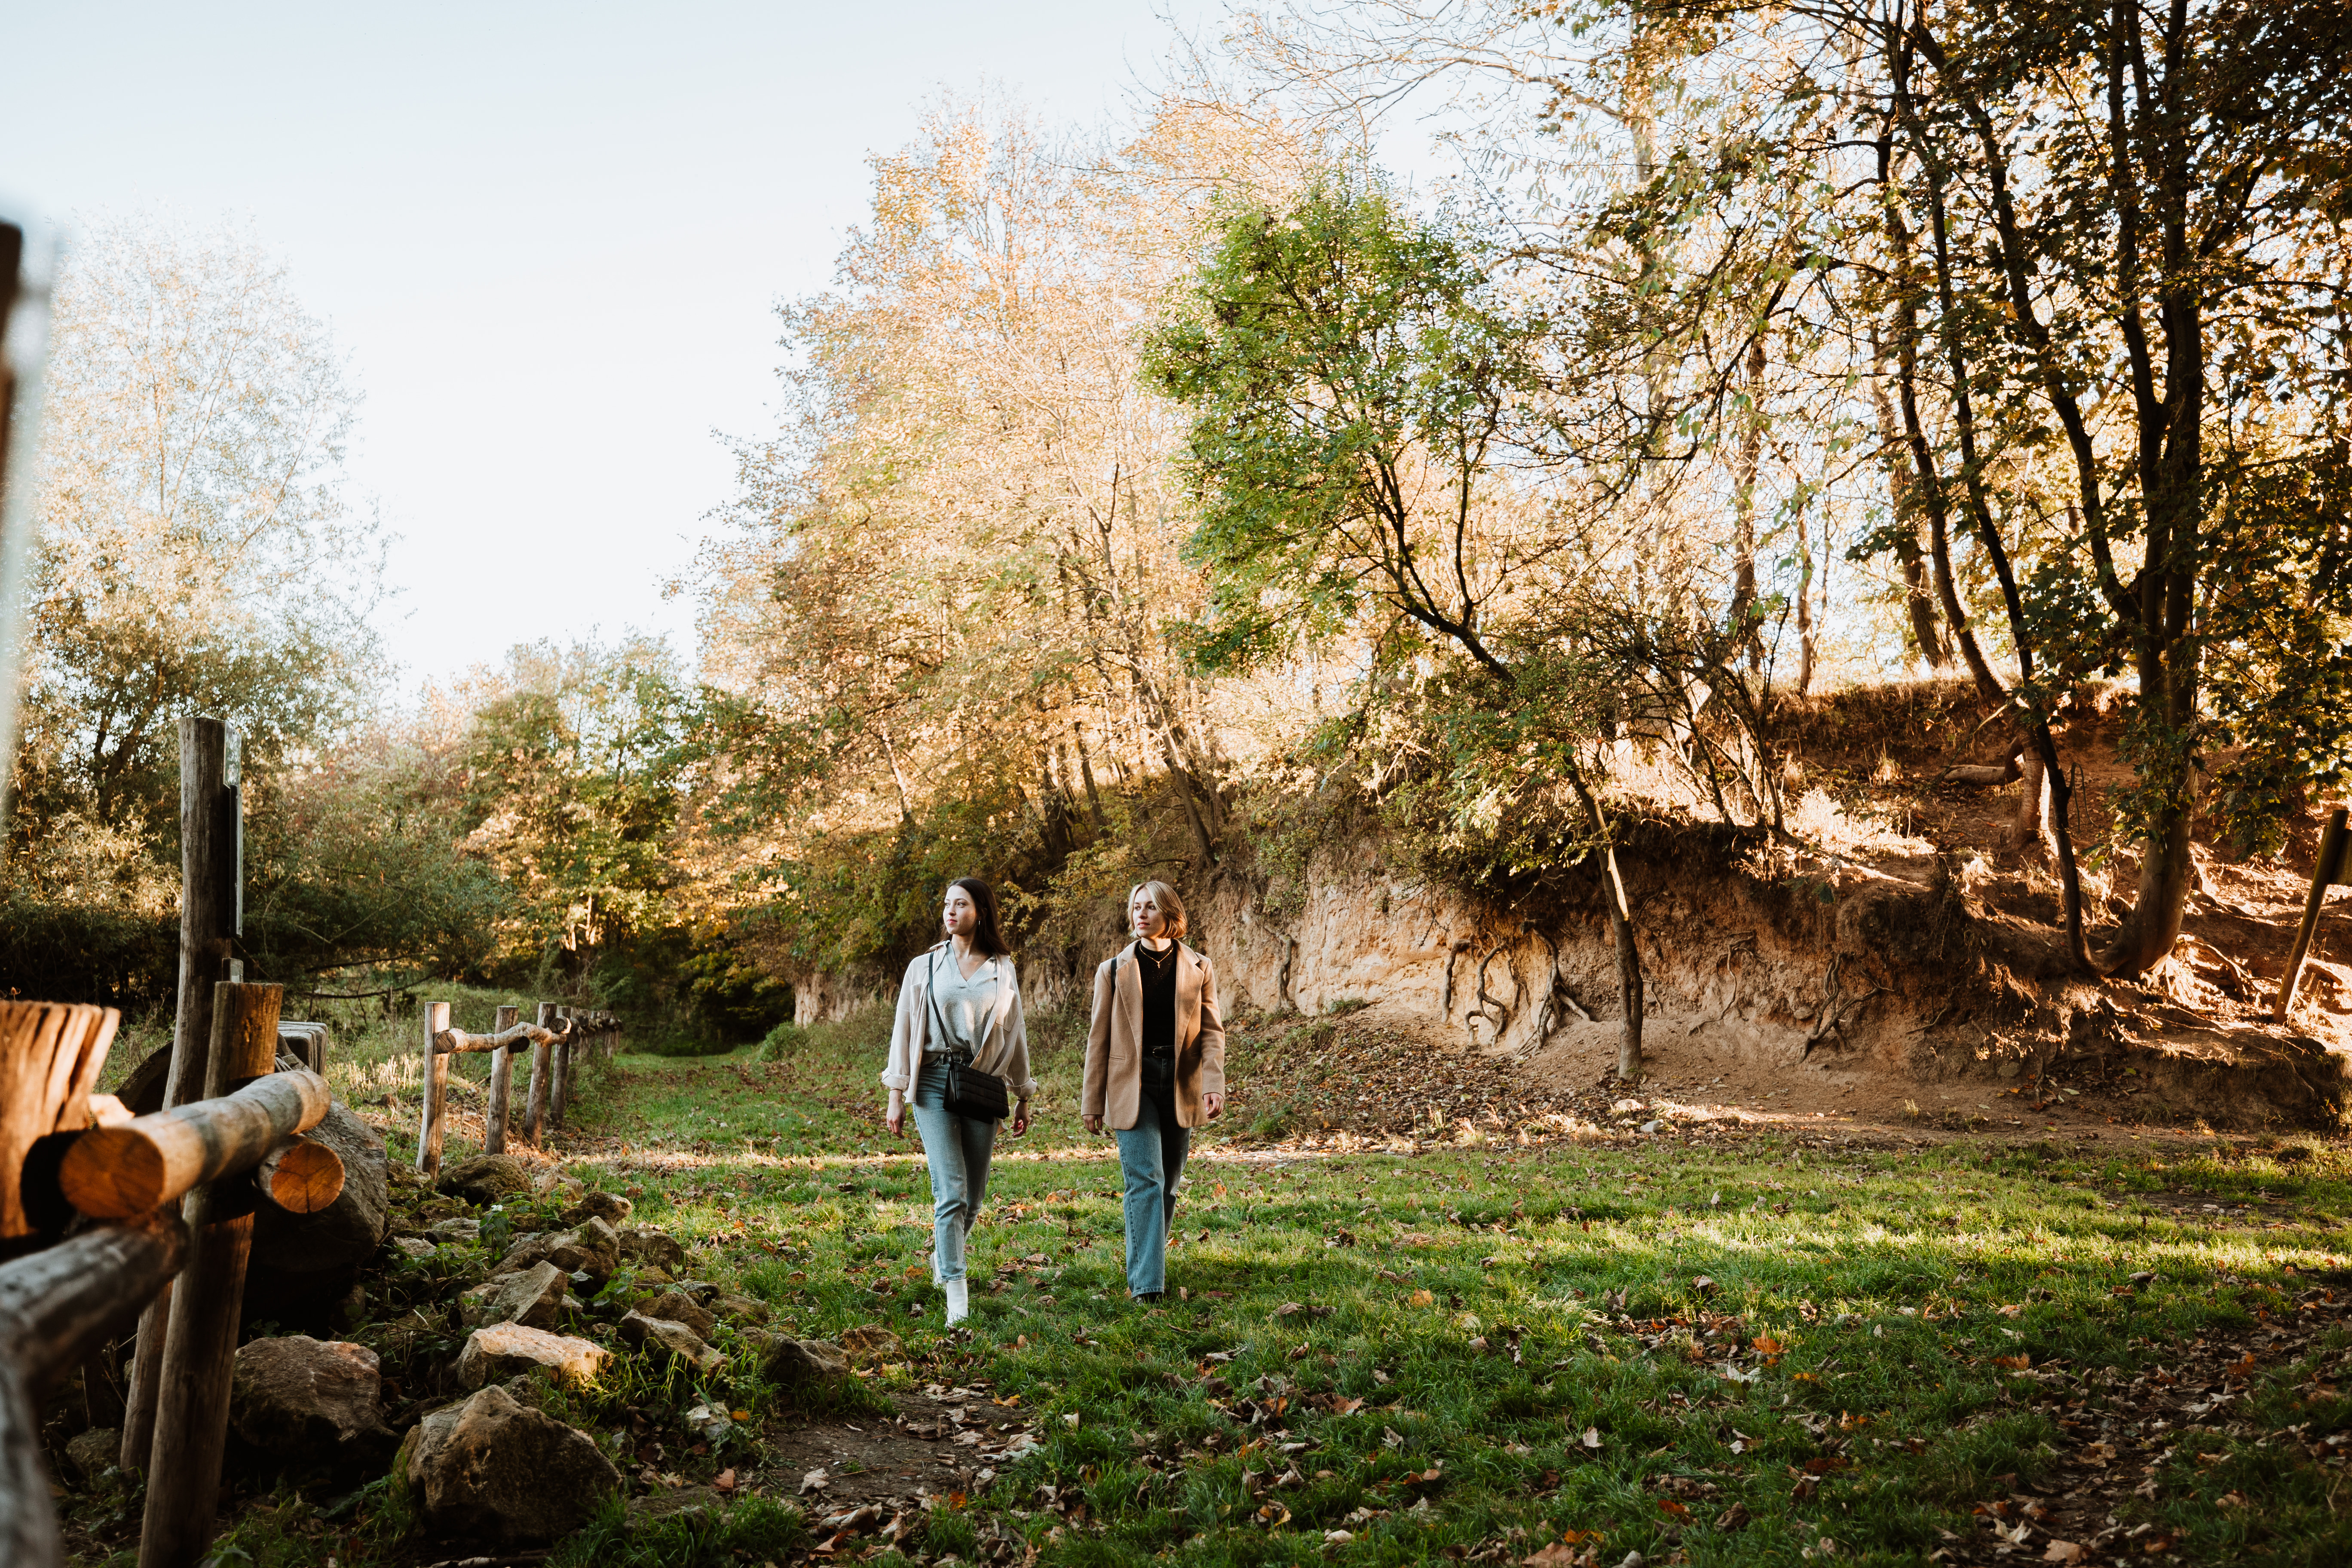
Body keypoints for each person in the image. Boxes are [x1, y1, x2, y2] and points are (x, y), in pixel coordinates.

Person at [882, 878, 1034, 1325]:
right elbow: (904, 1030)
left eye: (961, 904)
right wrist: (896, 1093)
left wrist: (1024, 1093)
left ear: (980, 911)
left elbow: (1015, 1032)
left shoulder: (1001, 968)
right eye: (947, 904)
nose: (951, 911)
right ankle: (956, 1294)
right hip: (931, 1081)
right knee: (950, 1191)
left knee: (974, 1199)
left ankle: (943, 1256)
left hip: (981, 1082)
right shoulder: (925, 966)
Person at [1081, 880, 1225, 1303]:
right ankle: (1147, 1285)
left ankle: (1147, 1261)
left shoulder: (1200, 968)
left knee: (1169, 1184)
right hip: (1132, 1083)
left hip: (1181, 1083)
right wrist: (1092, 1102)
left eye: (1150, 907)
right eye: (1136, 907)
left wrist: (1213, 1084)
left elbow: (1213, 1033)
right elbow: (1098, 1040)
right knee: (1146, 1179)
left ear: (1170, 916)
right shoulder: (1112, 971)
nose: (1140, 914)